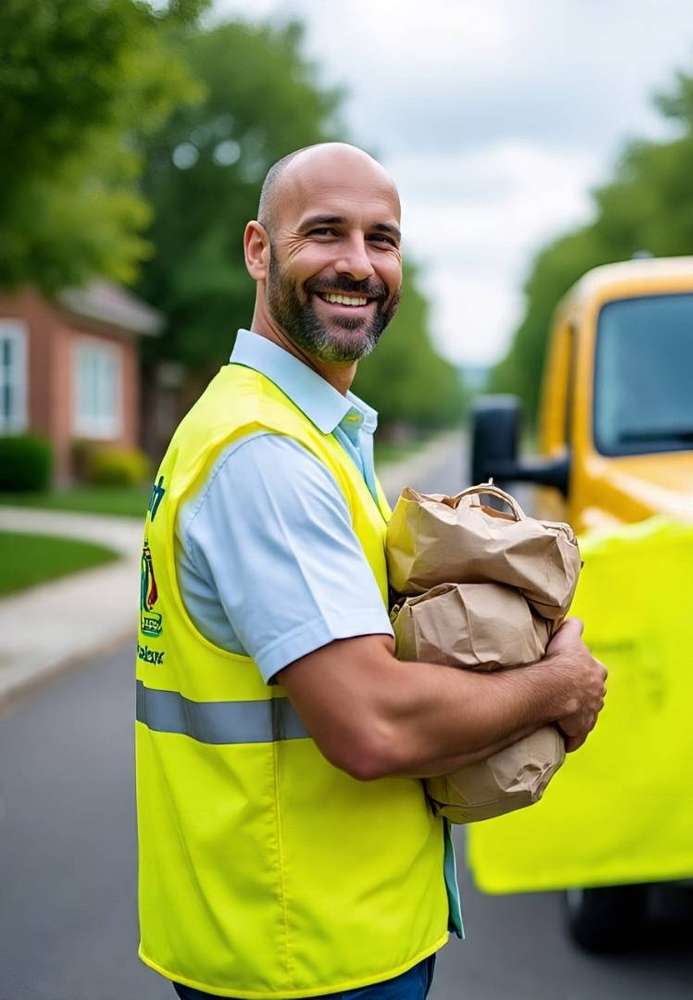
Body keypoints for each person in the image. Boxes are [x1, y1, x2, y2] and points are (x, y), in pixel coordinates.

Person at [134, 142, 607, 1000]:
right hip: (306, 953)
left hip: (305, 937)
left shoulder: (299, 430)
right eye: (325, 232)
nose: (358, 264)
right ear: (258, 250)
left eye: (381, 239)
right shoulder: (266, 455)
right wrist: (558, 686)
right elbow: (371, 725)